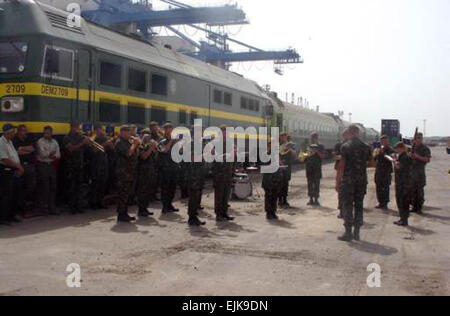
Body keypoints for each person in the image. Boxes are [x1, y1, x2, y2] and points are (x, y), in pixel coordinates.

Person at [336, 125, 373, 242]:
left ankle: (348, 233)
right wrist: (360, 165)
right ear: (358, 132)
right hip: (361, 181)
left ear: (350, 132)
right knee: (359, 205)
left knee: (347, 205)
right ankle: (357, 233)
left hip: (348, 181)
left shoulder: (345, 146)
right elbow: (372, 163)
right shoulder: (366, 147)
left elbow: (341, 166)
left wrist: (338, 181)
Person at [115, 125, 141, 222]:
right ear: (122, 132)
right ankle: (121, 215)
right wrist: (135, 144)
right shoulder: (119, 142)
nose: (129, 134)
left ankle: (124, 213)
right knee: (123, 194)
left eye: (130, 132)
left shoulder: (128, 142)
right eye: (127, 132)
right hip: (123, 172)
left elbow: (135, 154)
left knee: (127, 194)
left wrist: (137, 145)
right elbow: (128, 153)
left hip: (130, 171)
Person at [63, 122, 90, 214]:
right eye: (76, 127)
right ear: (71, 127)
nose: (77, 129)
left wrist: (88, 141)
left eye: (78, 127)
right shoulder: (67, 137)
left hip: (80, 165)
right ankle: (72, 207)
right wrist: (83, 142)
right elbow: (71, 149)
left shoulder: (80, 136)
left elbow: (89, 146)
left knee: (79, 187)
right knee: (72, 187)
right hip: (71, 165)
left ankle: (79, 205)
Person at [0, 124, 24, 225]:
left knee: (15, 193)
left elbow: (14, 155)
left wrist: (18, 167)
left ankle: (12, 215)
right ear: (7, 132)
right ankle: (3, 218)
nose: (14, 133)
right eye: (13, 131)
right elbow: (5, 159)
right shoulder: (1, 142)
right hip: (5, 170)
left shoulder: (10, 142)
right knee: (6, 195)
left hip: (13, 170)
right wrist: (18, 167)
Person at [212, 125, 235, 221]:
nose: (225, 134)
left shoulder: (230, 143)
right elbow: (213, 153)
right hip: (219, 173)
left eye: (226, 132)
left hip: (228, 172)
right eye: (223, 132)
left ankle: (224, 213)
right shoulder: (216, 143)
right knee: (219, 195)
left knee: (226, 194)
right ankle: (218, 215)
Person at [36, 126, 61, 215]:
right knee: (44, 187)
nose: (46, 134)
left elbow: (58, 155)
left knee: (53, 187)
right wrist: (51, 154)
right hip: (42, 166)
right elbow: (42, 154)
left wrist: (51, 155)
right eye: (45, 132)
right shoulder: (40, 141)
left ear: (51, 133)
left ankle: (52, 208)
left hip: (51, 166)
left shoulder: (55, 142)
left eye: (48, 133)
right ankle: (43, 208)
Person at [13, 124, 37, 211]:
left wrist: (22, 148)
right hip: (19, 166)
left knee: (32, 185)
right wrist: (26, 150)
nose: (26, 132)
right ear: (19, 131)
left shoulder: (29, 138)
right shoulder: (14, 140)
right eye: (24, 130)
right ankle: (19, 207)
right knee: (19, 186)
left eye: (26, 130)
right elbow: (16, 152)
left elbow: (32, 149)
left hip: (30, 166)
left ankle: (24, 201)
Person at [158, 122, 180, 213]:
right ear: (165, 131)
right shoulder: (162, 141)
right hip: (165, 169)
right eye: (168, 129)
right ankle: (165, 206)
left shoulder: (175, 142)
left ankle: (170, 204)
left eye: (171, 129)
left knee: (172, 188)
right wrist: (171, 141)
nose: (170, 131)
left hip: (174, 167)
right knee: (165, 188)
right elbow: (164, 150)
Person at [89, 125, 112, 210]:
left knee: (103, 184)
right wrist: (104, 144)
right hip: (95, 164)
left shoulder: (105, 138)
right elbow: (93, 151)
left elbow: (112, 149)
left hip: (104, 163)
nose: (102, 131)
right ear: (96, 130)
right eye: (100, 130)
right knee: (95, 184)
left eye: (103, 130)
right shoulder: (92, 139)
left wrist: (110, 143)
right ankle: (93, 203)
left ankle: (100, 201)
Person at [136, 130, 159, 217]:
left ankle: (145, 208)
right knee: (142, 191)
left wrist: (155, 149)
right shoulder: (141, 146)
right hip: (143, 172)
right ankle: (141, 210)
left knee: (148, 191)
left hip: (150, 171)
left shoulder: (149, 146)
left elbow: (155, 158)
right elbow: (144, 156)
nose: (149, 140)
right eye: (147, 138)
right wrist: (151, 148)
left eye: (150, 138)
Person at [187, 129, 207, 226]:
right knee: (193, 196)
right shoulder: (192, 143)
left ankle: (194, 215)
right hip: (193, 174)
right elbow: (192, 157)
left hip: (198, 173)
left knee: (196, 196)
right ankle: (192, 218)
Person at [410, 133, 431, 214]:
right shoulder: (412, 147)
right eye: (416, 138)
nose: (417, 140)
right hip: (412, 173)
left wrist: (417, 156)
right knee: (412, 191)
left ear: (421, 139)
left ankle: (419, 208)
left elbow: (427, 160)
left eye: (419, 138)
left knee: (419, 192)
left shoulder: (425, 148)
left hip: (420, 173)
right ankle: (414, 207)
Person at [262, 141, 283, 220]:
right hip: (268, 179)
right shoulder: (265, 155)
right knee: (268, 196)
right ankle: (268, 213)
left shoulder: (277, 154)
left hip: (276, 179)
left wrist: (280, 163)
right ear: (269, 146)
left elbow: (280, 163)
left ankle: (273, 211)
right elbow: (264, 166)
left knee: (275, 196)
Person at [393, 142, 412, 226]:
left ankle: (404, 220)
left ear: (401, 148)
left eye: (397, 148)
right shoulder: (404, 156)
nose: (396, 150)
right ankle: (403, 219)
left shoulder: (404, 157)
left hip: (403, 183)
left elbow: (399, 167)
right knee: (402, 201)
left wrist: (394, 161)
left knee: (402, 201)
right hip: (403, 182)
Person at [374, 135, 395, 210]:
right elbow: (374, 158)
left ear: (387, 141)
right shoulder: (378, 149)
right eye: (382, 141)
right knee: (378, 187)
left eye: (385, 141)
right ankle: (380, 202)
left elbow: (391, 158)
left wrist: (384, 154)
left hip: (386, 171)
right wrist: (377, 153)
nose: (384, 142)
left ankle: (385, 203)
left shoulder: (390, 149)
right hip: (379, 171)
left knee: (385, 188)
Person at [305, 133, 326, 206]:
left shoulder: (321, 146)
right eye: (312, 137)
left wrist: (317, 151)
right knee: (310, 183)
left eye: (315, 137)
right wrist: (307, 153)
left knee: (316, 184)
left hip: (317, 167)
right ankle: (310, 199)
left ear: (317, 138)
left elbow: (323, 156)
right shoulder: (307, 146)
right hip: (309, 167)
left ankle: (316, 199)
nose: (313, 139)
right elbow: (303, 156)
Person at [334, 129, 350, 218]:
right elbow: (335, 155)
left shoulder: (351, 145)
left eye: (346, 135)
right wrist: (337, 156)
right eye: (344, 135)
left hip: (349, 170)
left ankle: (347, 210)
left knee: (348, 192)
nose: (345, 136)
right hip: (340, 168)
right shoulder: (339, 145)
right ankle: (341, 210)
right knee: (340, 191)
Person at [278, 132, 296, 208]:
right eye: (282, 137)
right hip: (280, 166)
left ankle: (285, 200)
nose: (283, 138)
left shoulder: (290, 145)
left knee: (286, 184)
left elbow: (295, 155)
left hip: (287, 166)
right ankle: (279, 200)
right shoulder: (278, 146)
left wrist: (290, 149)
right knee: (279, 184)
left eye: (284, 137)